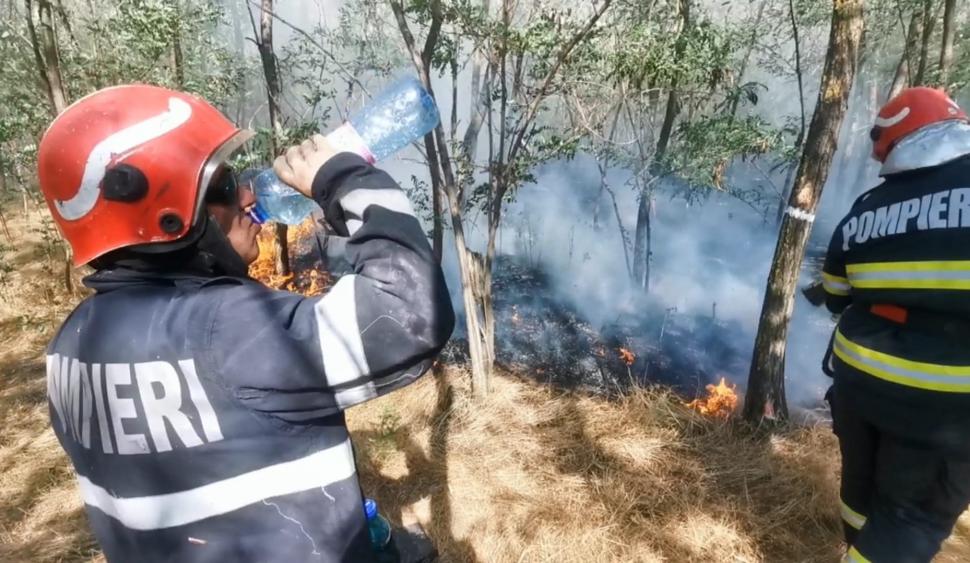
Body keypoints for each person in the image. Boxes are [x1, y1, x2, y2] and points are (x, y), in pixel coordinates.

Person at [37, 84, 454, 562]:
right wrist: (343, 176)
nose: (249, 194)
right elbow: (410, 313)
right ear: (171, 216)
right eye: (225, 184)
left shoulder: (71, 341)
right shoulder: (226, 330)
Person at [821, 87, 970, 563]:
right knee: (912, 517)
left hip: (858, 385)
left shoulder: (865, 209)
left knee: (859, 493)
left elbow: (833, 294)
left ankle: (856, 547)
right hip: (943, 405)